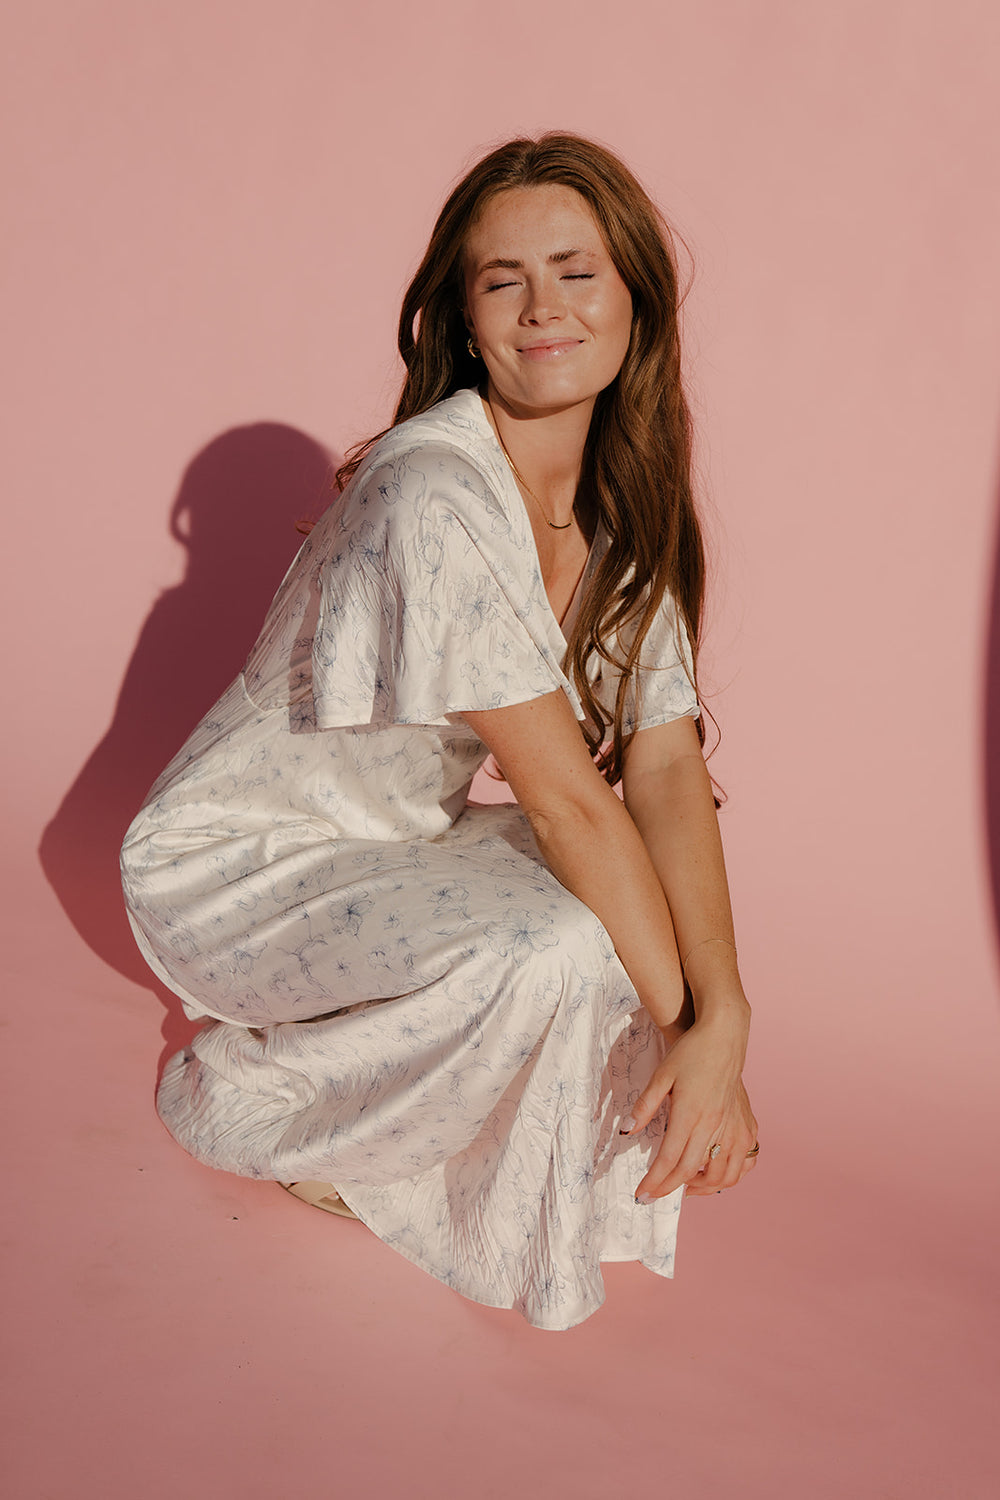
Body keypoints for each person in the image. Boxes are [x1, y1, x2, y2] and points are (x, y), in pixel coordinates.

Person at [121, 132, 758, 1331]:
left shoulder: (618, 511)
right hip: (237, 867)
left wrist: (724, 1017)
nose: (541, 308)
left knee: (641, 909)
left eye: (574, 270)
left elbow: (665, 763)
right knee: (574, 941)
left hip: (390, 849)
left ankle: (415, 1087)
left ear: (634, 298)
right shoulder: (433, 493)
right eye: (501, 279)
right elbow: (570, 807)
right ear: (463, 318)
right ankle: (270, 1099)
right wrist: (696, 1038)